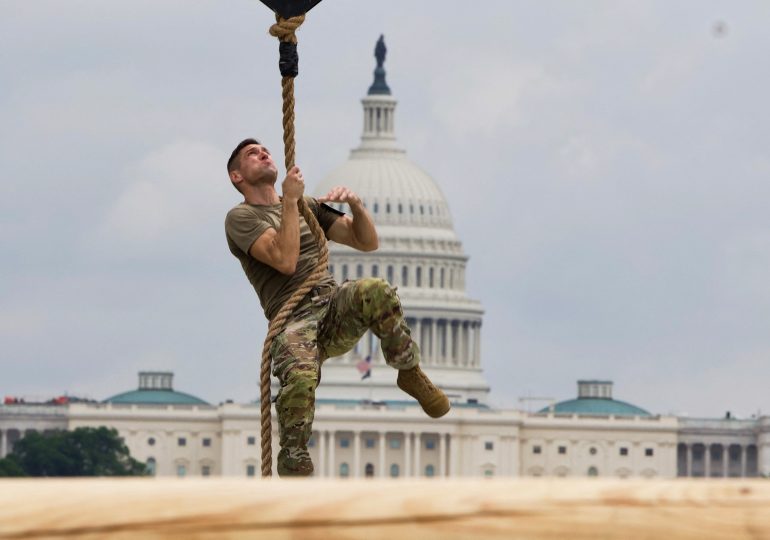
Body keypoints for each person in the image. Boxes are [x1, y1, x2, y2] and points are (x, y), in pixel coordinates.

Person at [224, 138, 450, 476]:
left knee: (376, 290)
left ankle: (409, 371)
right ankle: (294, 453)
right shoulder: (240, 218)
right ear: (236, 177)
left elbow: (366, 242)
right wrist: (290, 202)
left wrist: (357, 205)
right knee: (300, 377)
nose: (264, 154)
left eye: (265, 150)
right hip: (294, 322)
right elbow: (284, 261)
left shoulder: (308, 207)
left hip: (331, 308)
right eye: (251, 154)